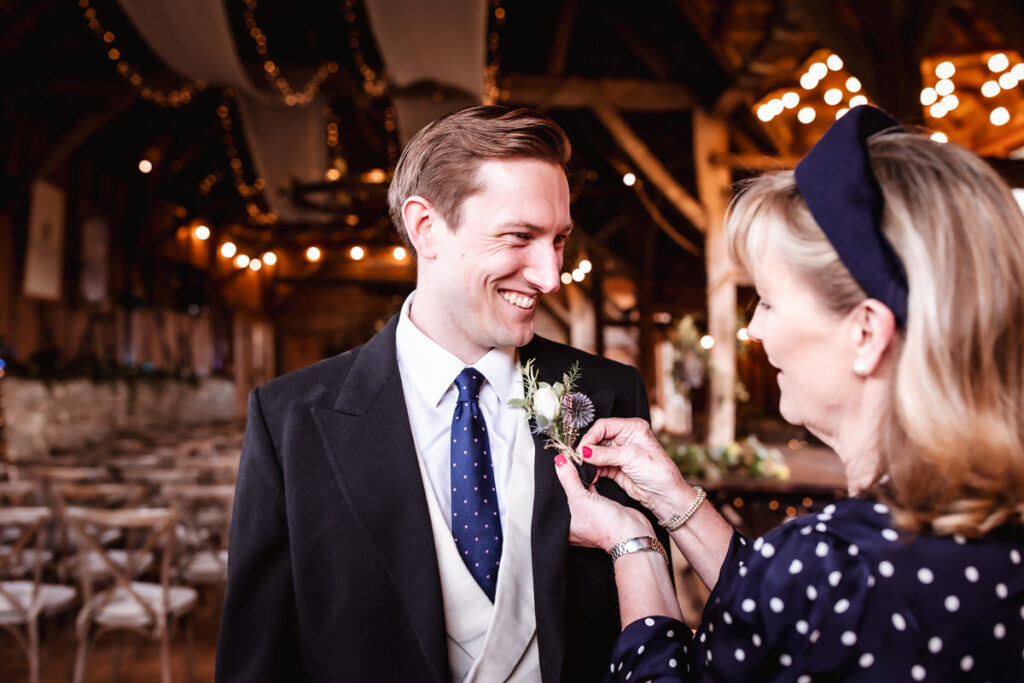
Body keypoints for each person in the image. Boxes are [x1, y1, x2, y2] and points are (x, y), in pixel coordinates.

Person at [554, 105, 1024, 681]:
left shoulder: (827, 568)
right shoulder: (856, 569)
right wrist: (673, 502)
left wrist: (631, 542)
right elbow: (791, 619)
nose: (754, 328)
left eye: (770, 301)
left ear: (867, 333)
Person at [215, 105, 668, 682]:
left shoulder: (608, 392)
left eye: (557, 240)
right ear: (426, 227)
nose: (550, 276)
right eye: (519, 236)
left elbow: (648, 632)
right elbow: (256, 661)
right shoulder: (290, 419)